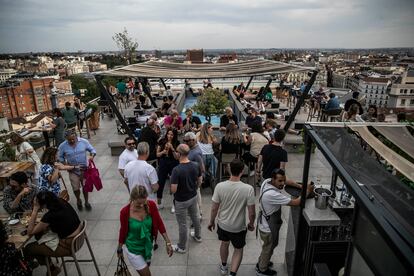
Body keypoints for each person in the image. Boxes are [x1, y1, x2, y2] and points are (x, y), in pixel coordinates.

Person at [256, 169, 314, 275]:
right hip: (268, 228)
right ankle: (262, 269)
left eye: (283, 180)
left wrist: (302, 186)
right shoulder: (272, 194)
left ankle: (261, 262)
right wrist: (308, 191)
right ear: (273, 179)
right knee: (269, 247)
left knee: (267, 246)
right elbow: (297, 202)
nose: (282, 184)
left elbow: (288, 181)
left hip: (267, 222)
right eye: (280, 181)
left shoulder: (267, 181)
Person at [208, 159, 256, 276]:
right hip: (238, 227)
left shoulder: (219, 186)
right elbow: (252, 212)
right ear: (242, 171)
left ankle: (224, 267)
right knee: (238, 249)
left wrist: (211, 222)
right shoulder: (248, 189)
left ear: (229, 169)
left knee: (224, 243)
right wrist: (251, 223)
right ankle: (232, 274)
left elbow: (214, 208)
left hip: (223, 224)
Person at [117, 186, 173, 276]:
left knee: (146, 267)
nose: (141, 205)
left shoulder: (151, 205)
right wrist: (119, 249)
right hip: (133, 249)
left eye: (143, 202)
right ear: (132, 199)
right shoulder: (125, 212)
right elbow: (122, 231)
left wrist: (168, 242)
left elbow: (159, 223)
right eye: (139, 203)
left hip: (148, 246)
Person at [24, 191, 82, 275]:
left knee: (29, 248)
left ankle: (52, 269)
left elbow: (30, 232)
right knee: (39, 236)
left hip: (68, 245)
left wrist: (35, 209)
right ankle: (51, 267)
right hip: (78, 237)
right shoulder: (62, 201)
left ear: (43, 205)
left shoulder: (50, 215)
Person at [170, 144, 203, 253]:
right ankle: (198, 236)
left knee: (182, 224)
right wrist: (194, 188)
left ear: (179, 154)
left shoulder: (176, 170)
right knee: (195, 217)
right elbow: (199, 181)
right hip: (193, 197)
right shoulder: (196, 165)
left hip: (181, 200)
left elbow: (174, 189)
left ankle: (182, 247)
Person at [58, 129, 96, 211]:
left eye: (73, 139)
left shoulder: (83, 142)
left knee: (85, 187)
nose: (72, 141)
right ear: (66, 139)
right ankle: (78, 200)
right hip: (73, 170)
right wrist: (66, 165)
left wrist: (92, 156)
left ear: (76, 136)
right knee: (75, 188)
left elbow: (92, 150)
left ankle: (86, 202)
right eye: (69, 140)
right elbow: (60, 157)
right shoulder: (62, 146)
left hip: (84, 169)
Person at [156, 128, 179, 209]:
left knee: (174, 183)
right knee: (160, 182)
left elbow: (177, 157)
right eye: (168, 134)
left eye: (172, 135)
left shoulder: (177, 143)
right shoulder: (162, 141)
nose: (169, 136)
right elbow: (157, 154)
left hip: (173, 163)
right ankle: (159, 202)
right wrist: (163, 152)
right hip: (163, 162)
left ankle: (174, 204)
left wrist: (172, 149)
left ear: (174, 136)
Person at [184, 132, 205, 218]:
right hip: (192, 178)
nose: (185, 142)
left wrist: (198, 180)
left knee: (195, 197)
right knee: (196, 196)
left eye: (187, 141)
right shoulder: (192, 149)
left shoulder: (196, 153)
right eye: (184, 141)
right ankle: (198, 213)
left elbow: (202, 168)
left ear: (193, 140)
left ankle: (197, 215)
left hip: (194, 179)